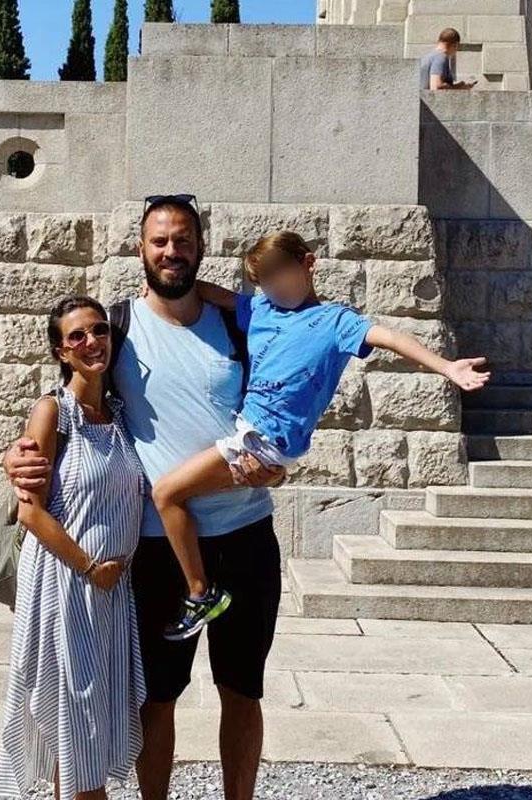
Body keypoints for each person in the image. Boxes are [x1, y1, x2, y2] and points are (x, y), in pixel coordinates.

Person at [3, 194, 283, 800]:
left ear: (201, 247)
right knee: (157, 696)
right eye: (160, 241)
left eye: (183, 239)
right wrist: (16, 455)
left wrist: (279, 467)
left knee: (243, 691)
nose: (171, 251)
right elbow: (66, 400)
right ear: (141, 250)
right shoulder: (119, 327)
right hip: (158, 547)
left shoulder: (240, 325)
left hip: (245, 536)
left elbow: (282, 406)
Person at [151, 232, 490, 639]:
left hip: (265, 442)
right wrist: (151, 289)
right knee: (185, 495)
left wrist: (446, 367)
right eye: (265, 282)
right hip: (249, 433)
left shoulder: (335, 322)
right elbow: (208, 292)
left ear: (308, 264)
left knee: (166, 494)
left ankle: (200, 592)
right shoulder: (260, 308)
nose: (275, 288)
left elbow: (391, 338)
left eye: (280, 276)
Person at [0, 296, 148, 800]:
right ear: (61, 351)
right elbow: (30, 512)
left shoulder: (119, 414)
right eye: (76, 336)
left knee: (87, 725)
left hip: (111, 594)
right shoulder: (53, 412)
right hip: (67, 586)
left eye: (99, 330)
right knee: (78, 726)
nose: (91, 342)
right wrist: (89, 566)